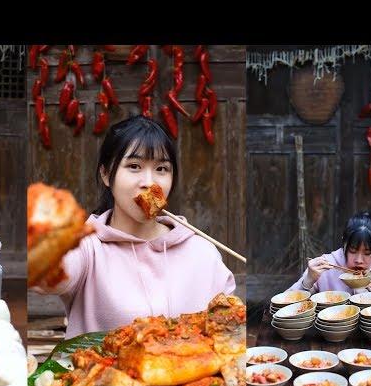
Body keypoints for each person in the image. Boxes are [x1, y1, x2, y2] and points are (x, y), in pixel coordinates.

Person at [34, 115, 236, 338]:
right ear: (106, 174)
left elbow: (231, 330)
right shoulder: (86, 248)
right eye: (134, 166)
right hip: (99, 370)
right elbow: (51, 278)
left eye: (161, 169)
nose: (149, 182)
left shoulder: (202, 252)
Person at [288, 211, 371, 295]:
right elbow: (286, 306)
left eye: (367, 253)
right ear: (343, 244)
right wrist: (309, 279)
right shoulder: (326, 265)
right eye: (352, 251)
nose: (359, 260)